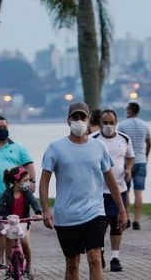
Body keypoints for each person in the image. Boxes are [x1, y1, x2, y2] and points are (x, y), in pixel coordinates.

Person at [39, 102, 128, 280]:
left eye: (83, 117)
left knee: (95, 258)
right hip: (66, 215)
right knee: (72, 263)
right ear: (68, 121)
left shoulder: (98, 147)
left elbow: (111, 180)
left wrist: (122, 209)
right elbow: (44, 180)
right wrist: (46, 209)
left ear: (88, 120)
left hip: (94, 212)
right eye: (75, 117)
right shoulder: (55, 147)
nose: (79, 121)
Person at [0, 115, 36, 276]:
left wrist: (32, 183)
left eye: (4, 127)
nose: (2, 130)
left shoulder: (19, 148)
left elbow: (29, 166)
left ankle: (19, 264)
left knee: (17, 234)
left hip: (15, 199)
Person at [91, 109, 134, 272]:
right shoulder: (93, 139)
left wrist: (129, 169)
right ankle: (99, 251)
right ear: (100, 123)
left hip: (119, 189)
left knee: (117, 225)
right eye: (105, 123)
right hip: (98, 191)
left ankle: (115, 257)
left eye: (111, 123)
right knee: (100, 226)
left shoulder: (124, 139)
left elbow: (130, 157)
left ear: (116, 123)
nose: (108, 126)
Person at [0, 166, 43, 276]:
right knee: (6, 237)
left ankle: (29, 265)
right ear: (17, 182)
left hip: (23, 221)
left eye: (29, 180)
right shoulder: (7, 193)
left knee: (25, 242)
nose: (28, 183)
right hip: (10, 222)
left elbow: (34, 203)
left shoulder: (26, 193)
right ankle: (6, 263)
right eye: (25, 180)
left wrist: (38, 213)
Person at [118, 102, 151, 230]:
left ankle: (127, 218)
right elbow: (149, 143)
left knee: (125, 191)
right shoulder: (144, 125)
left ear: (130, 110)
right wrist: (146, 156)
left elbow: (119, 142)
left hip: (127, 162)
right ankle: (137, 220)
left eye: (127, 109)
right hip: (141, 161)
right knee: (139, 192)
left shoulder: (122, 125)